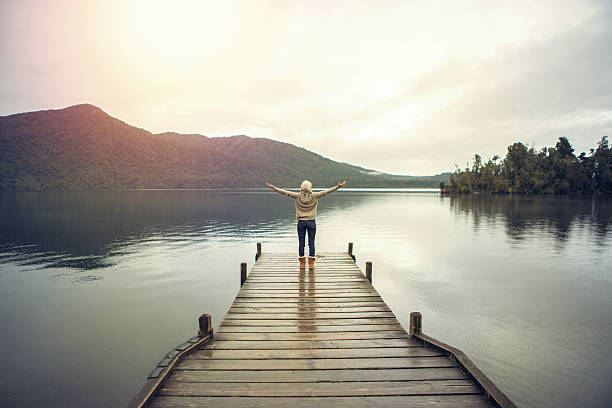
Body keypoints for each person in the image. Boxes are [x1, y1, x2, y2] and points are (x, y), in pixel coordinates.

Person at [266, 180, 346, 270]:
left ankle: (302, 264)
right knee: (311, 243)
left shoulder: (297, 196)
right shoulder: (315, 196)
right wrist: (337, 187)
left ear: (301, 188)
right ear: (310, 188)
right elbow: (327, 192)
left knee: (301, 243)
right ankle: (311, 264)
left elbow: (285, 192)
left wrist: (274, 188)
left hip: (301, 222)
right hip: (311, 222)